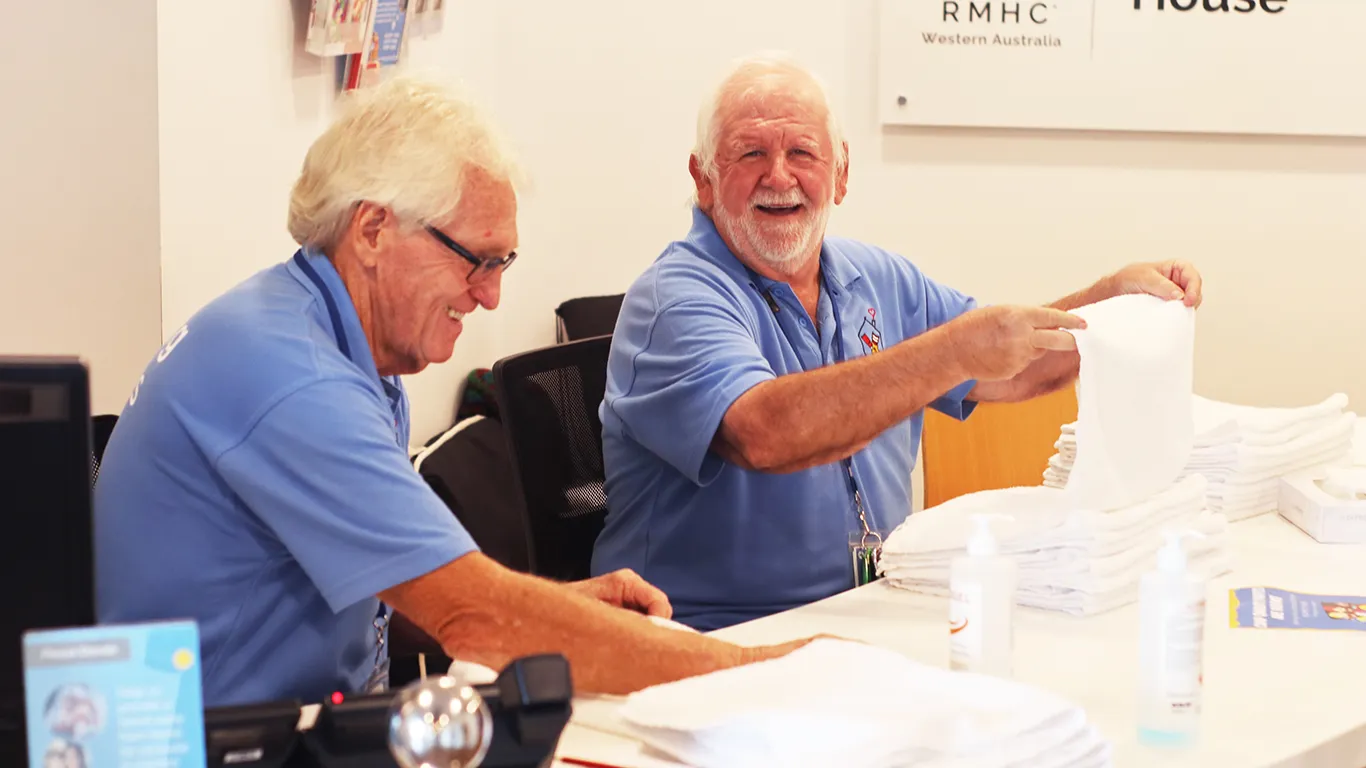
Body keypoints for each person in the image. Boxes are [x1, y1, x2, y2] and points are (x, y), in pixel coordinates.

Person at [93, 75, 810, 708]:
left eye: (505, 263)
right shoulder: (292, 378)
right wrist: (753, 676)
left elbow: (399, 593)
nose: (492, 296)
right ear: (373, 229)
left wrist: (562, 612)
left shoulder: (333, 342)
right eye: (479, 259)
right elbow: (475, 618)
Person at [593, 53, 1205, 631]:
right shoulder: (674, 297)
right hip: (719, 637)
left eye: (802, 151)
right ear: (703, 179)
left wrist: (1115, 304)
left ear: (841, 173)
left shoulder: (875, 276)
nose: (778, 176)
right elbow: (764, 432)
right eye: (750, 152)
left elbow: (1011, 369)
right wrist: (950, 352)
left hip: (872, 617)